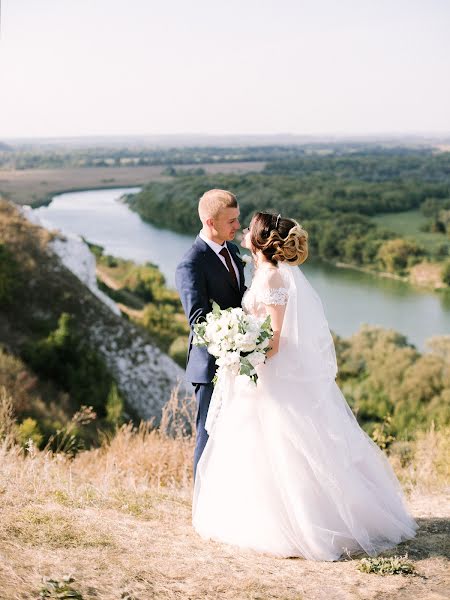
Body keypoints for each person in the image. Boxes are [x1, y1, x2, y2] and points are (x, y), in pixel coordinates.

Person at [192, 211, 418, 561]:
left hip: (267, 372)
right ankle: (255, 515)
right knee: (256, 445)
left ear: (261, 241)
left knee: (282, 446)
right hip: (258, 372)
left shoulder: (272, 280)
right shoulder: (266, 274)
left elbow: (276, 338)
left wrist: (241, 353)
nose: (243, 232)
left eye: (248, 229)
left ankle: (302, 523)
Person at [175, 189, 246, 479]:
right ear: (210, 222)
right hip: (211, 367)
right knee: (209, 432)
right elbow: (199, 320)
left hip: (243, 361)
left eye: (237, 219)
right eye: (231, 221)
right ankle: (202, 500)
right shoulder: (191, 263)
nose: (237, 226)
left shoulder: (235, 251)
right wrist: (237, 336)